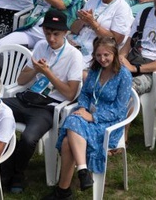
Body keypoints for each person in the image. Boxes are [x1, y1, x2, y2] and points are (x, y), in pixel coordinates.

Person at [1, 9, 82, 193]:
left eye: (56, 34)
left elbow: (70, 94)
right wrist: (36, 71)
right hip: (28, 97)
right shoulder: (40, 46)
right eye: (48, 33)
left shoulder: (73, 55)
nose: (51, 39)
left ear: (65, 33)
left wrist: (48, 74)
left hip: (49, 106)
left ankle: (15, 173)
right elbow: (21, 80)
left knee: (29, 138)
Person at [45, 36, 131, 199]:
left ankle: (65, 189)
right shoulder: (94, 70)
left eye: (106, 55)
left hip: (109, 122)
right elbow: (84, 93)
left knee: (68, 137)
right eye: (98, 55)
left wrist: (93, 116)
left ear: (114, 53)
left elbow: (120, 111)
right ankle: (82, 173)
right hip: (86, 115)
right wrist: (83, 107)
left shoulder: (123, 75)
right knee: (73, 122)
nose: (102, 59)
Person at [70, 0, 132, 65]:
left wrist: (93, 23)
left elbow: (116, 40)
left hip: (96, 52)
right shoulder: (92, 0)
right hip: (76, 43)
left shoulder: (122, 8)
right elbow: (73, 29)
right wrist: (83, 21)